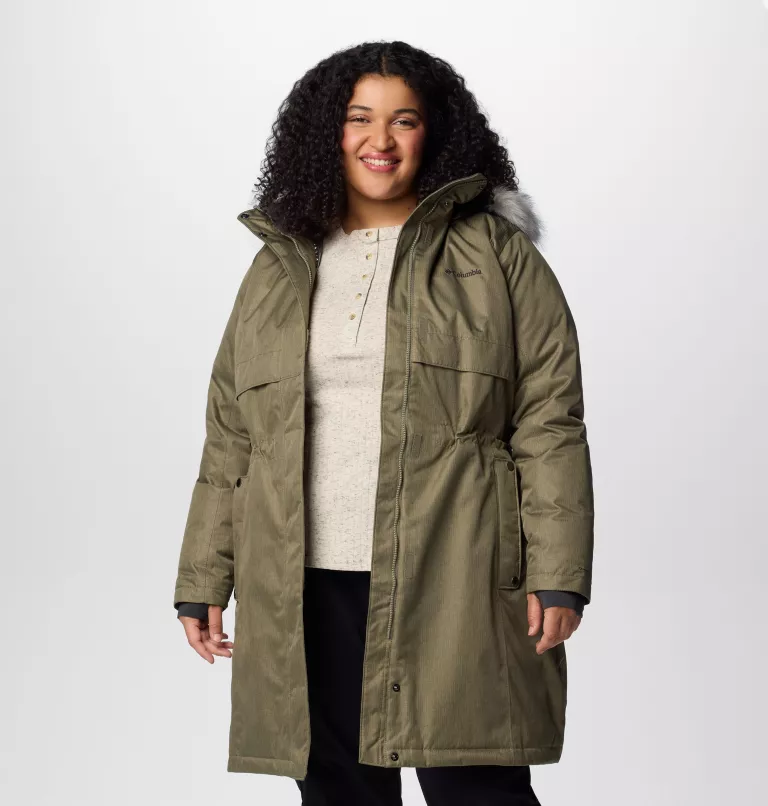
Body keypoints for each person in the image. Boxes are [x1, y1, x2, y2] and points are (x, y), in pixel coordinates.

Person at [173, 40, 594, 806]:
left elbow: (548, 422)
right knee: (337, 792)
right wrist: (203, 578)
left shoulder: (497, 257)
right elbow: (233, 436)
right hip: (304, 578)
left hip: (457, 570)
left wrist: (558, 574)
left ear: (435, 133)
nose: (381, 139)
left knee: (477, 786)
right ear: (325, 134)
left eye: (404, 120)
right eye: (359, 118)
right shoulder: (279, 265)